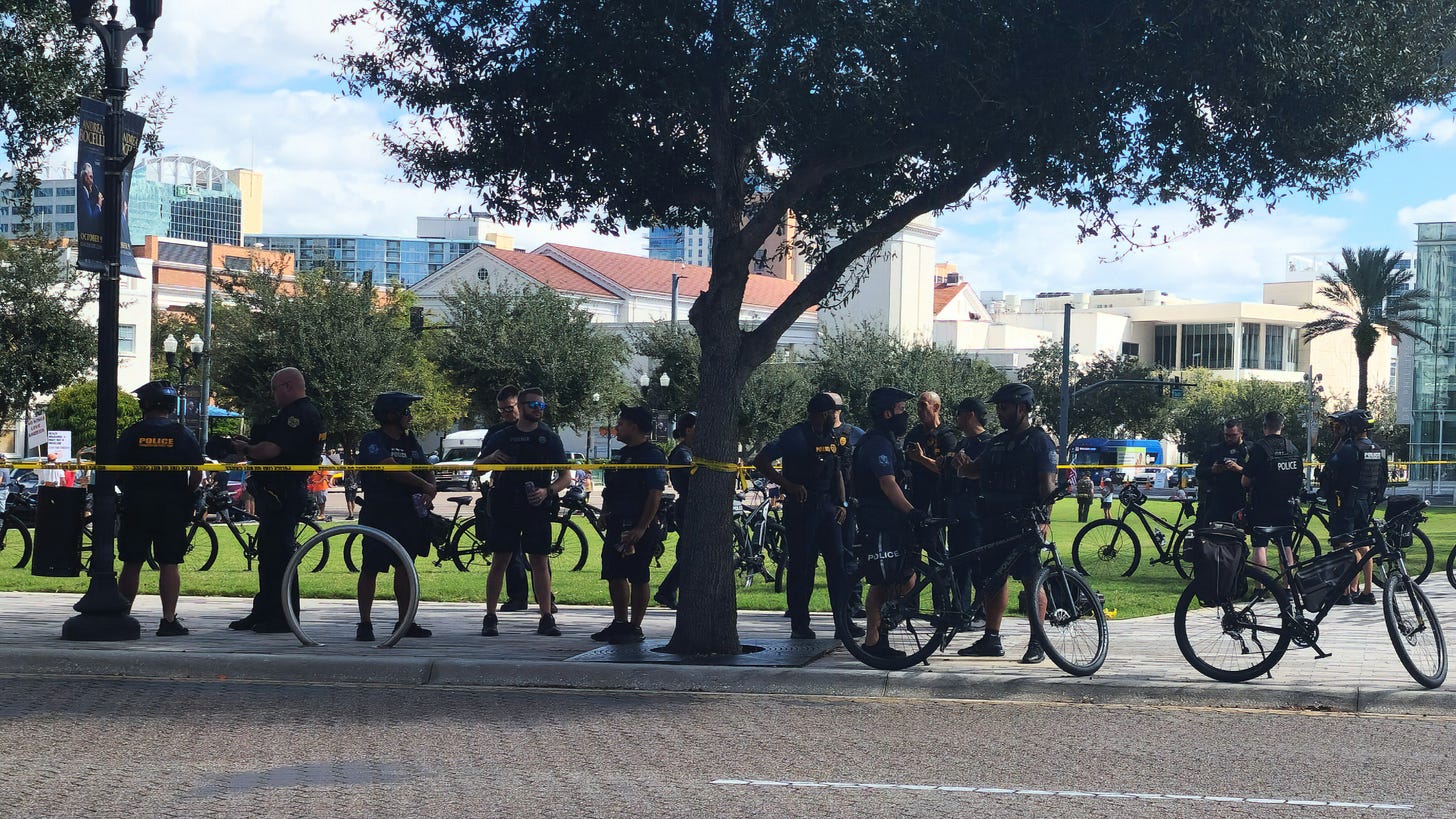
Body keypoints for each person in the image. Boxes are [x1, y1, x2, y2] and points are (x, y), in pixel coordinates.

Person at [955, 382, 1058, 665]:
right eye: (998, 407)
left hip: (1024, 522)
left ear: (1023, 408)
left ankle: (1038, 640)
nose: (999, 413)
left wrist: (1045, 518)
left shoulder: (1039, 441)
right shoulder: (997, 442)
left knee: (1031, 580)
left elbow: (1047, 483)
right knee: (992, 581)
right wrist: (962, 466)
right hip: (991, 520)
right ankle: (991, 638)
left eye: (1004, 407)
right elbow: (973, 471)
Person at [227, 367, 326, 634]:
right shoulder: (299, 414)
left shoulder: (298, 415)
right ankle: (264, 610)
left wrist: (246, 449)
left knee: (279, 555)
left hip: (283, 491)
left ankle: (283, 616)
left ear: (287, 386)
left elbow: (273, 449)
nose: (272, 395)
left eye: (274, 389)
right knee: (269, 553)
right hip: (278, 490)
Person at [756, 393, 857, 640]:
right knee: (802, 566)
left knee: (838, 566)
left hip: (828, 509)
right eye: (831, 412)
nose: (835, 416)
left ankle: (842, 622)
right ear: (821, 414)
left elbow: (836, 472)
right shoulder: (794, 436)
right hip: (801, 508)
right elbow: (761, 460)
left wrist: (841, 502)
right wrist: (787, 485)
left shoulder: (833, 437)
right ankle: (800, 624)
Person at [477, 386, 571, 637]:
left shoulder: (549, 437)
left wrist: (548, 491)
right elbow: (477, 467)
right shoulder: (502, 436)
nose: (538, 409)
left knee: (539, 560)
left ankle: (546, 616)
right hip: (505, 504)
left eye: (542, 406)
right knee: (500, 560)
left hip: (536, 507)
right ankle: (490, 616)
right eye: (534, 405)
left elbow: (566, 476)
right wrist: (491, 458)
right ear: (521, 405)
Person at [114, 381, 203, 637]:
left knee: (132, 562)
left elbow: (117, 469)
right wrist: (187, 493)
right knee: (169, 563)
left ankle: (123, 617)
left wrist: (130, 488)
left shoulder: (132, 433)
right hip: (172, 506)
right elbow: (197, 471)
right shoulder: (183, 433)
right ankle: (168, 620)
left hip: (137, 505)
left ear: (147, 403)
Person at [354, 392, 437, 641]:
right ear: (391, 414)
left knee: (405, 566)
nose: (410, 417)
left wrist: (430, 487)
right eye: (406, 411)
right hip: (379, 513)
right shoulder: (372, 440)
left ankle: (405, 621)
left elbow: (424, 467)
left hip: (407, 514)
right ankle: (365, 624)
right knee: (371, 567)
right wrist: (424, 484)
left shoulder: (410, 441)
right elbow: (390, 467)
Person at [591, 404, 669, 644]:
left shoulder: (652, 455)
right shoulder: (619, 455)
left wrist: (641, 528)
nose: (617, 427)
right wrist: (605, 512)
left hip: (639, 525)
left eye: (621, 423)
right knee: (614, 573)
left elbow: (655, 493)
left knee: (638, 575)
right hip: (617, 522)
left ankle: (635, 626)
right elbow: (610, 489)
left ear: (634, 426)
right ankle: (619, 623)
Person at [852, 387, 919, 659]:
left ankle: (880, 633)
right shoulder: (877, 443)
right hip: (880, 519)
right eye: (901, 409)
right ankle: (874, 641)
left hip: (891, 520)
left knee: (902, 577)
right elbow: (887, 483)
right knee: (882, 580)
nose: (905, 415)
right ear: (887, 412)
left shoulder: (888, 440)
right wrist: (913, 512)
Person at [474, 385, 532, 611]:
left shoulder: (537, 431)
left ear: (521, 405)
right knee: (509, 552)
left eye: (510, 408)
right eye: (502, 410)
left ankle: (547, 600)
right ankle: (517, 597)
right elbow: (478, 467)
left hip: (533, 497)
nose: (507, 414)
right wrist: (492, 457)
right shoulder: (497, 433)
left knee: (538, 554)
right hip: (505, 497)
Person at [1321, 409, 1386, 605]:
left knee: (1346, 546)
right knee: (1364, 545)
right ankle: (1367, 591)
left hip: (1347, 503)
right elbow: (1383, 478)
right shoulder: (1376, 449)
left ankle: (1347, 591)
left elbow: (1329, 471)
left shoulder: (1349, 450)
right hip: (1366, 502)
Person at [939, 397, 991, 623]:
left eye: (959, 413)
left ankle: (982, 611)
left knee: (979, 564)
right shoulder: (961, 443)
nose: (956, 418)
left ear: (971, 414)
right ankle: (958, 609)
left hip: (977, 512)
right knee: (958, 563)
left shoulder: (988, 443)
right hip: (958, 510)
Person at [1241, 411, 1303, 572]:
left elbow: (1245, 481)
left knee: (1260, 545)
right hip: (1287, 505)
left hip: (1263, 504)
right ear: (1282, 426)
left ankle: (1260, 587)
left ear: (1264, 426)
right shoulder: (1292, 448)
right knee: (1286, 545)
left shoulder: (1259, 448)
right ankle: (1288, 587)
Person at [825, 392, 866, 617]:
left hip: (848, 503)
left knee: (850, 554)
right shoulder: (816, 435)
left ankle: (854, 603)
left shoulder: (855, 434)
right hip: (824, 503)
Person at [654, 411, 696, 609]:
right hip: (688, 507)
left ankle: (670, 590)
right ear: (688, 429)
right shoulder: (682, 454)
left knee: (689, 552)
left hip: (692, 506)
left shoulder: (691, 451)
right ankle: (667, 590)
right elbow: (690, 480)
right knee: (693, 553)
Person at [904, 391, 958, 514]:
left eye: (923, 405)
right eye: (918, 406)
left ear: (936, 407)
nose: (919, 410)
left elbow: (948, 470)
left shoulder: (947, 437)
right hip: (914, 496)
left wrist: (921, 458)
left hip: (937, 498)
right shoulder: (914, 434)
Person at [1195, 419, 1249, 526]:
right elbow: (1199, 472)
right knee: (1209, 533)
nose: (1229, 438)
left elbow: (1257, 474)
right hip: (1217, 499)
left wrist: (1239, 469)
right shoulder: (1215, 450)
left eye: (1233, 435)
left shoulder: (1249, 450)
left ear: (1241, 434)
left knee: (1237, 535)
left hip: (1240, 499)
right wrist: (1212, 470)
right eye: (1226, 435)